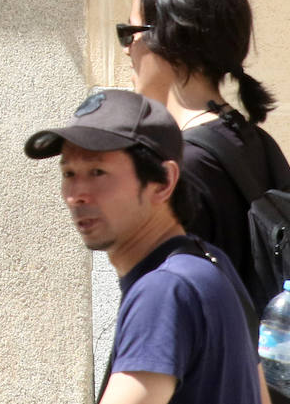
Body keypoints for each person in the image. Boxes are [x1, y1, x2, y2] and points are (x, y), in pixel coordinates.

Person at [26, 88, 268, 404]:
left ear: (164, 182)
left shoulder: (165, 290)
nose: (77, 194)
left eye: (97, 172)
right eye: (69, 173)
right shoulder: (208, 262)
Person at [118, 0, 283, 307]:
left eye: (131, 33)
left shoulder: (183, 165)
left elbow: (166, 310)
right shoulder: (249, 139)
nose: (127, 49)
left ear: (171, 42)